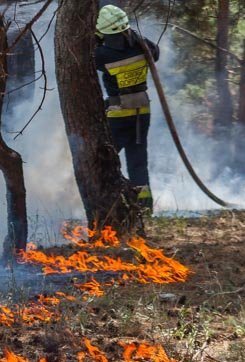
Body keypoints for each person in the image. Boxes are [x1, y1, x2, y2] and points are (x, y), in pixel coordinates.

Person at [94, 4, 159, 213]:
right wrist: (133, 35)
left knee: (106, 161)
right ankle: (145, 208)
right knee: (138, 163)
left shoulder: (103, 55)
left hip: (119, 115)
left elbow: (92, 56)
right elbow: (154, 52)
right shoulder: (142, 46)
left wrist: (96, 37)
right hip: (142, 112)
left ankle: (110, 206)